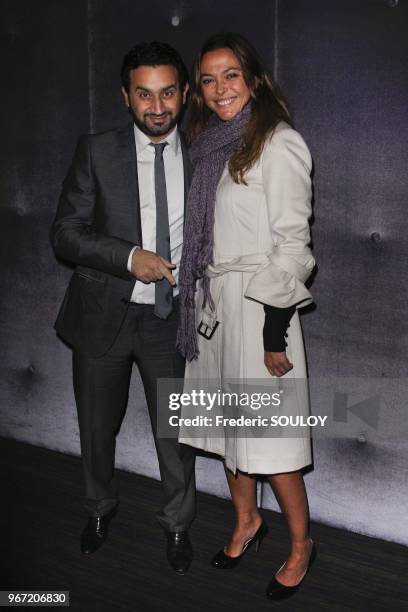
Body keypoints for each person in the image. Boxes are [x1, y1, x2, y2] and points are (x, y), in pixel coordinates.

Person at [176, 32, 316, 599]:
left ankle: (302, 545)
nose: (219, 89)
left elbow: (293, 247)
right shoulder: (212, 146)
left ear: (253, 79)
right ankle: (247, 522)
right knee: (230, 434)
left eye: (230, 75)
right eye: (208, 80)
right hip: (217, 310)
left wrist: (275, 333)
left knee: (271, 440)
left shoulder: (279, 143)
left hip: (262, 314)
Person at [50, 41, 196, 574]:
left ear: (182, 94)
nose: (156, 108)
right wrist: (129, 257)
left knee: (175, 435)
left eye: (166, 93)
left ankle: (179, 525)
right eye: (143, 94)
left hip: (171, 321)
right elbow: (65, 234)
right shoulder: (97, 150)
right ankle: (98, 509)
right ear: (125, 97)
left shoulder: (207, 153)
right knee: (96, 428)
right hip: (102, 315)